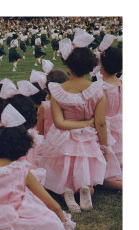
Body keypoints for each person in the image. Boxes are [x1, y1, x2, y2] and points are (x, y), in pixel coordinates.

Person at [40, 29, 107, 213]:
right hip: (87, 141)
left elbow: (59, 123)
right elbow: (100, 123)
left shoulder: (58, 91)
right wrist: (103, 145)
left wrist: (78, 124)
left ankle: (67, 193)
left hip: (62, 140)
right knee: (87, 176)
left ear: (68, 67)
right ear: (89, 67)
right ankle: (85, 189)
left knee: (62, 176)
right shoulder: (97, 90)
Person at [98, 39, 123, 190]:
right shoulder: (121, 83)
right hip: (119, 125)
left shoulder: (100, 87)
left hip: (106, 130)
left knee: (104, 176)